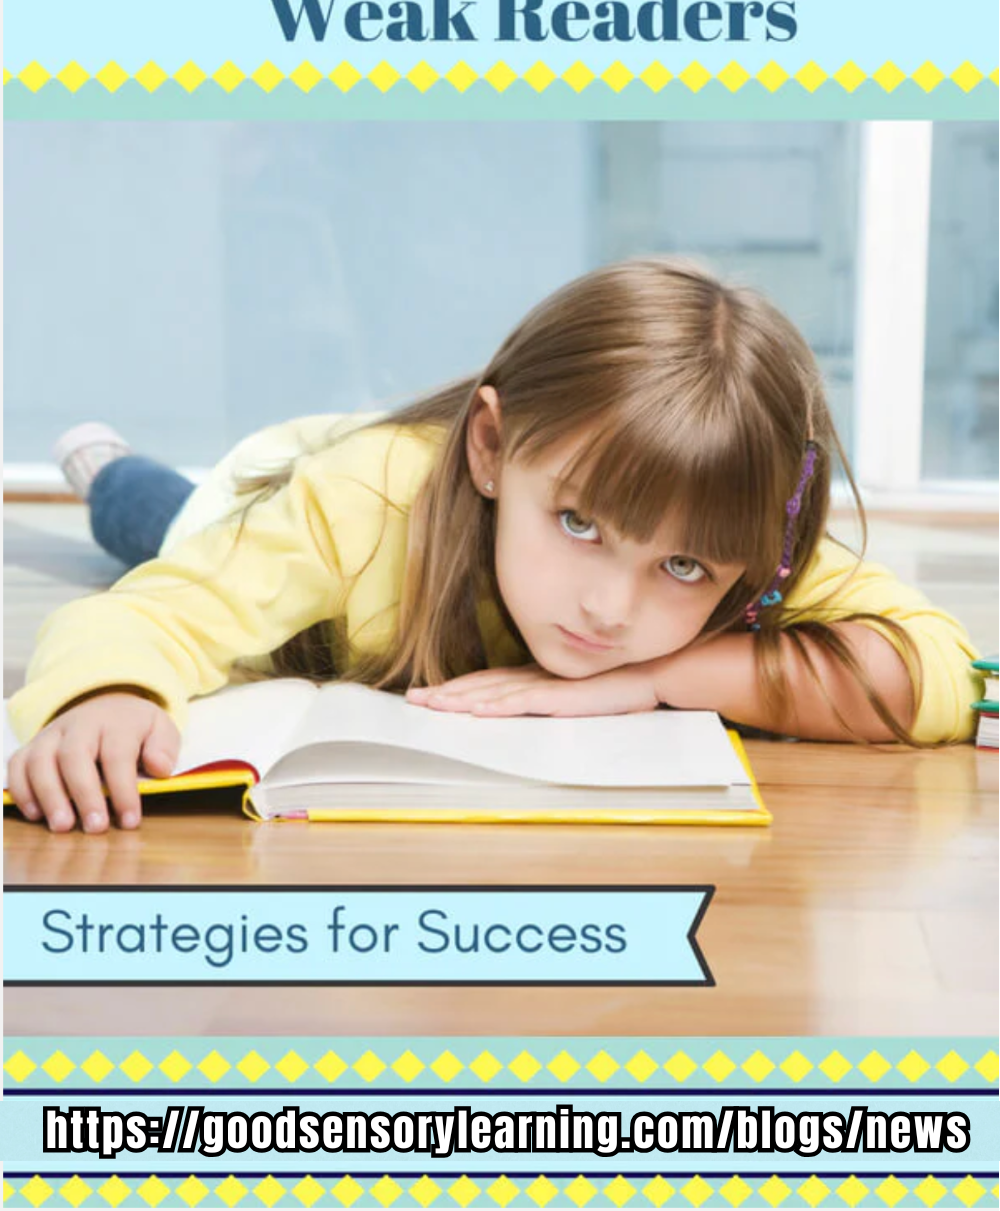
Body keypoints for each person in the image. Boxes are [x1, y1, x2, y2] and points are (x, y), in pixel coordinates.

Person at [6, 259, 981, 833]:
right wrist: (108, 693)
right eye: (577, 523)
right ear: (491, 447)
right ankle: (105, 464)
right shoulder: (362, 502)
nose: (609, 606)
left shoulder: (729, 515)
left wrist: (660, 678)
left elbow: (938, 674)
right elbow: (160, 613)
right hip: (262, 495)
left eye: (681, 569)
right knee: (150, 522)